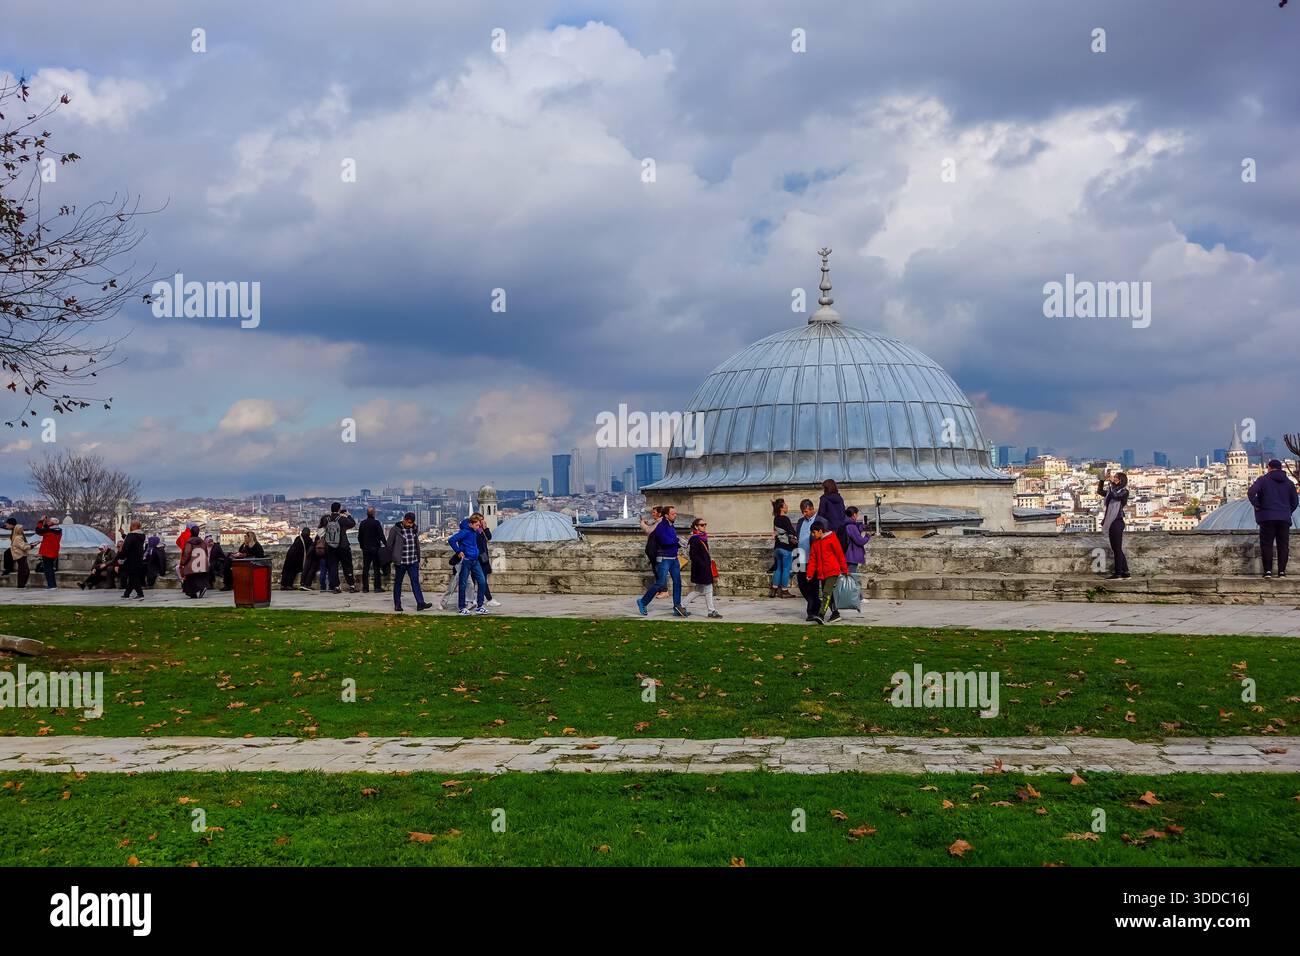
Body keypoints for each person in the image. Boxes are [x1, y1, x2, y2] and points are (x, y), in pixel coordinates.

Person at [1248, 459, 1299, 579]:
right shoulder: (1289, 483)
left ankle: (1268, 572)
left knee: (1267, 545)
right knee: (1283, 545)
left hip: (1267, 517)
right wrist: (1287, 511)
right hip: (1284, 518)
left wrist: (1258, 505)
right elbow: (1295, 502)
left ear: (1269, 468)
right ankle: (1282, 572)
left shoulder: (1263, 480)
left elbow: (1251, 493)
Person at [636, 504, 688, 617]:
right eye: (673, 514)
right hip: (664, 559)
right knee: (660, 583)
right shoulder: (660, 527)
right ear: (666, 515)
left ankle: (677, 606)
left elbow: (671, 541)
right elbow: (665, 541)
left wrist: (679, 543)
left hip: (673, 558)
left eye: (675, 513)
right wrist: (677, 540)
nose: (675, 515)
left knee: (677, 582)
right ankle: (643, 602)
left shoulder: (671, 526)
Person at [385, 512, 432, 612]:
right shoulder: (395, 529)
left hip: (413, 560)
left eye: (412, 523)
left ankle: (420, 603)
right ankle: (397, 604)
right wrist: (394, 556)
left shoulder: (414, 528)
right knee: (398, 582)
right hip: (401, 561)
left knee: (415, 582)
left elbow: (416, 544)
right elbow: (389, 544)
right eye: (409, 522)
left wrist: (417, 557)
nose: (410, 525)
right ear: (405, 520)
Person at [806, 518, 848, 624]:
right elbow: (812, 560)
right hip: (822, 573)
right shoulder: (815, 544)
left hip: (832, 571)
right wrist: (810, 574)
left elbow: (839, 554)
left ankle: (821, 614)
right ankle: (835, 614)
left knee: (826, 593)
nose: (812, 535)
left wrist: (844, 569)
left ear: (820, 531)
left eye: (814, 532)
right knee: (829, 594)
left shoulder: (832, 539)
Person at [449, 514, 489, 614]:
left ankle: (480, 606)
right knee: (463, 584)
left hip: (475, 560)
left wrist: (483, 527)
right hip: (466, 560)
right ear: (471, 524)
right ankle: (462, 607)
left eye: (479, 525)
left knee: (482, 581)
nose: (478, 527)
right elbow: (451, 540)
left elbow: (487, 537)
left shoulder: (475, 531)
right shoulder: (465, 532)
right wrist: (458, 551)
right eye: (477, 525)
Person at [683, 517, 721, 618]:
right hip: (701, 568)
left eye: (705, 525)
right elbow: (693, 555)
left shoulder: (702, 537)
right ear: (696, 526)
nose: (704, 527)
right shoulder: (695, 539)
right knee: (708, 588)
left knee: (699, 589)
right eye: (701, 525)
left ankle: (682, 606)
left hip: (704, 567)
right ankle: (711, 611)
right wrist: (703, 565)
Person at [316, 502, 357, 594]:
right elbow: (353, 523)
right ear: (339, 509)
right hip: (343, 546)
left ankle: (336, 586)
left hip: (331, 546)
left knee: (333, 567)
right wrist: (348, 515)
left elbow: (321, 526)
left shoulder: (327, 519)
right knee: (347, 566)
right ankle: (351, 585)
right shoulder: (342, 519)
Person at [1098, 471, 1130, 580]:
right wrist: (1102, 479)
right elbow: (1100, 491)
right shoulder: (1111, 491)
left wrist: (1111, 483)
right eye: (1114, 477)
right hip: (1112, 522)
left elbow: (1115, 495)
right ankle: (1125, 572)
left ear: (1121, 480)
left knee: (1116, 549)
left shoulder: (1124, 492)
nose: (1114, 478)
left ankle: (1118, 574)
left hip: (1117, 521)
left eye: (1117, 477)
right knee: (1116, 548)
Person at [792, 499, 818, 621]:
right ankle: (816, 603)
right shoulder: (800, 521)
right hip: (800, 555)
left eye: (806, 511)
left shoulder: (820, 520)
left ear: (812, 509)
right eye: (803, 511)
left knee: (812, 585)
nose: (804, 514)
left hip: (813, 558)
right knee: (802, 584)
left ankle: (811, 612)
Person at [771, 498, 797, 598]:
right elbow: (791, 532)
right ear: (781, 508)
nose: (787, 507)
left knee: (778, 569)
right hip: (786, 548)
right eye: (785, 505)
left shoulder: (776, 519)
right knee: (786, 569)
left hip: (777, 548)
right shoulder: (785, 519)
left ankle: (774, 589)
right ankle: (784, 590)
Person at [356, 506, 386, 593]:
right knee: (376, 568)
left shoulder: (363, 523)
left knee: (366, 568)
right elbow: (381, 535)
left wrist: (362, 546)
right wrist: (387, 545)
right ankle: (377, 587)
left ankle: (365, 588)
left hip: (366, 549)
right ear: (374, 513)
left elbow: (359, 537)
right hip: (375, 548)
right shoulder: (376, 523)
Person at [816, 478, 849, 549]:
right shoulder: (840, 498)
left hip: (829, 531)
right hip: (841, 530)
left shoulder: (824, 499)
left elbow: (821, 515)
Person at [474, 520, 501, 607]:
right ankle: (486, 599)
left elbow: (489, 537)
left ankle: (480, 600)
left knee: (481, 580)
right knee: (479, 580)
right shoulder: (475, 533)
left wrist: (485, 528)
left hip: (483, 558)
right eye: (481, 522)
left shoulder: (481, 531)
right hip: (478, 558)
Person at [118, 521, 146, 599]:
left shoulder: (131, 536)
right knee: (132, 576)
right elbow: (131, 540)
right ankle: (127, 593)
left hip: (131, 559)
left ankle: (140, 594)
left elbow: (126, 547)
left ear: (133, 526)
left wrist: (121, 557)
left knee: (133, 577)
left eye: (131, 526)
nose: (130, 527)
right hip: (139, 559)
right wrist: (123, 533)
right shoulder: (141, 535)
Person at [843, 506, 870, 580]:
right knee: (851, 578)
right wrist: (867, 537)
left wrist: (862, 527)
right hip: (851, 556)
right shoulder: (851, 526)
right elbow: (859, 541)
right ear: (854, 514)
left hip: (848, 555)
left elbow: (855, 530)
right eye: (857, 514)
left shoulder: (847, 524)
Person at [34, 517, 62, 589]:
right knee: (51, 569)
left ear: (52, 523)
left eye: (49, 521)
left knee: (48, 569)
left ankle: (51, 585)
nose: (47, 522)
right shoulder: (59, 530)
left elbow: (38, 531)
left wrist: (41, 521)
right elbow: (46, 529)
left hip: (47, 552)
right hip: (54, 551)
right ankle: (53, 585)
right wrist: (46, 523)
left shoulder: (48, 530)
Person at [180, 532, 210, 598]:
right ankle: (202, 588)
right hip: (202, 564)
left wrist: (182, 562)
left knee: (189, 580)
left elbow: (186, 553)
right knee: (200, 578)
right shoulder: (203, 542)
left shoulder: (189, 542)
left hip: (192, 564)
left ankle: (194, 593)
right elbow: (206, 553)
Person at [6, 518, 31, 589]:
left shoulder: (16, 534)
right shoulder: (17, 536)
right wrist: (30, 546)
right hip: (20, 554)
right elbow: (22, 545)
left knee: (24, 570)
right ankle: (21, 585)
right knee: (23, 570)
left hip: (19, 553)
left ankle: (21, 584)